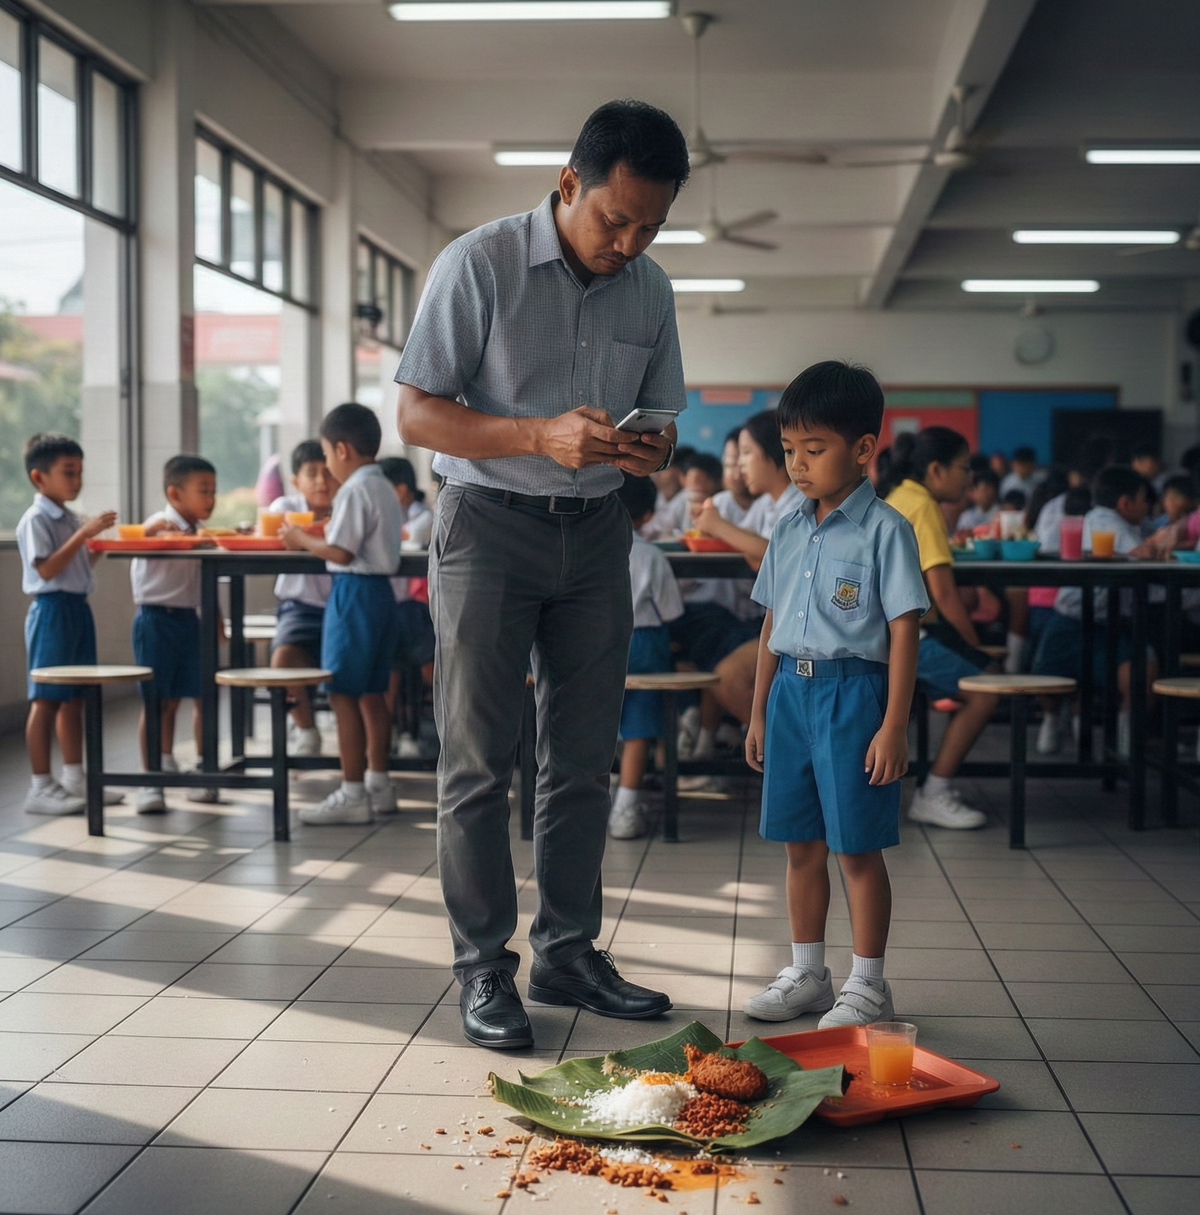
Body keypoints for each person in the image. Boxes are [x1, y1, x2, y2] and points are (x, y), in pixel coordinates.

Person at [395, 99, 689, 1048]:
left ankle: (567, 949)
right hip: (486, 525)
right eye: (617, 219)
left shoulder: (651, 289)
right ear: (570, 183)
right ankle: (484, 966)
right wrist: (534, 433)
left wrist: (653, 450)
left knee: (580, 759)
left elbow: (665, 418)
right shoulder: (475, 265)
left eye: (651, 226)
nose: (631, 241)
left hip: (598, 531)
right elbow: (416, 415)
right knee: (480, 759)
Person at [741, 362, 927, 1026]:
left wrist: (894, 725)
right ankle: (807, 971)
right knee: (799, 843)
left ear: (864, 448)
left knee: (855, 847)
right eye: (790, 450)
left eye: (814, 450)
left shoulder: (887, 531)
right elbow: (770, 625)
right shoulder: (788, 530)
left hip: (856, 698)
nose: (797, 464)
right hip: (792, 693)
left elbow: (906, 631)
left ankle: (869, 984)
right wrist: (759, 710)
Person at [282, 403, 405, 823]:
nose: (328, 467)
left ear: (340, 449)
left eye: (327, 456)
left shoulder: (353, 488)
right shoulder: (383, 485)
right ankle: (378, 783)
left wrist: (300, 537)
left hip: (354, 593)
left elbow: (341, 551)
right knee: (371, 692)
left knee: (341, 693)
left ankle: (352, 793)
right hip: (381, 596)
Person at [886, 429, 995, 829]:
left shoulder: (901, 497)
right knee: (986, 689)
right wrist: (975, 647)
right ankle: (934, 792)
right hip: (904, 636)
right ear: (936, 469)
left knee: (980, 677)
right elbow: (945, 594)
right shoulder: (924, 506)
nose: (968, 478)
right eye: (963, 468)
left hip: (889, 631)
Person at [17, 433, 118, 815]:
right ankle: (40, 786)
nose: (76, 481)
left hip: (76, 608)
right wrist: (82, 535)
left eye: (79, 473)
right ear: (38, 478)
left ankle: (75, 778)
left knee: (75, 698)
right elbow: (46, 569)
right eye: (68, 473)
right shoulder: (37, 519)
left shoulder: (68, 517)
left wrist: (95, 548)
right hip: (52, 612)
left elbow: (73, 567)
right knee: (45, 699)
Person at [1031, 466, 1159, 757]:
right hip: (1081, 622)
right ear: (1125, 503)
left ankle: (1068, 722)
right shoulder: (1111, 526)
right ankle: (1115, 733)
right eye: (1143, 500)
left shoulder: (1117, 524)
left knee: (1142, 670)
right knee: (1050, 679)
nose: (1147, 507)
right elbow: (1144, 568)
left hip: (1091, 623)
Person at [130, 455, 221, 813]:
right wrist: (160, 532)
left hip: (189, 620)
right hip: (156, 620)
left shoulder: (198, 533)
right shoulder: (162, 521)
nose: (211, 499)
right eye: (204, 491)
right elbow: (143, 534)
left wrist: (216, 619)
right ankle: (151, 777)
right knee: (156, 701)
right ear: (175, 493)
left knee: (198, 696)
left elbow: (204, 581)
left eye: (213, 491)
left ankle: (205, 770)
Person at [609, 474, 685, 840]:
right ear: (648, 515)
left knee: (604, 720)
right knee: (639, 726)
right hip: (644, 644)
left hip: (598, 643)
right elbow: (671, 612)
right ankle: (626, 803)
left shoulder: (592, 546)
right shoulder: (653, 556)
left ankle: (602, 792)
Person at [268, 439, 335, 756]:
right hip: (300, 608)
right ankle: (306, 729)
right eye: (312, 473)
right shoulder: (286, 507)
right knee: (282, 660)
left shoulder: (349, 505)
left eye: (328, 472)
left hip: (341, 608)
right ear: (296, 481)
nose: (322, 481)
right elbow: (280, 531)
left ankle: (380, 739)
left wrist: (304, 537)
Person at [380, 456, 436, 756]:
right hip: (401, 611)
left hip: (417, 612)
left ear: (400, 490)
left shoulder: (421, 517)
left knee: (395, 649)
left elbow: (409, 541)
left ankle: (405, 731)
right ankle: (392, 731)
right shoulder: (396, 515)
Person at [956, 469, 999, 533]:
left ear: (995, 491)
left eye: (988, 489)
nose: (985, 493)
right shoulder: (966, 517)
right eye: (982, 489)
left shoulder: (1001, 514)